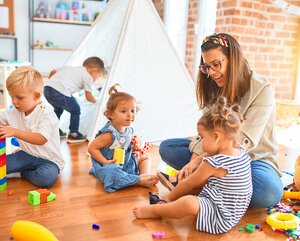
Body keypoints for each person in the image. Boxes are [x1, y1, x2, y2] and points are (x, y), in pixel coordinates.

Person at [158, 33, 283, 208]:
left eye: (216, 65)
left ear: (234, 59)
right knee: (167, 148)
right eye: (207, 67)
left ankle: (197, 184)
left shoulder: (262, 89)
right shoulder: (212, 86)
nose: (212, 73)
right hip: (213, 153)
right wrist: (194, 160)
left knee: (268, 193)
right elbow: (207, 132)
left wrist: (198, 163)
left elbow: (241, 143)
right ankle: (206, 184)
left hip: (253, 160)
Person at [133, 97, 252, 234]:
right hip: (234, 213)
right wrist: (197, 161)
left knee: (187, 203)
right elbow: (208, 156)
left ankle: (156, 211)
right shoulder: (240, 153)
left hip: (220, 217)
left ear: (216, 136)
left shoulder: (213, 163)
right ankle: (175, 187)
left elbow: (188, 184)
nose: (201, 142)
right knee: (194, 191)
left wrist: (167, 199)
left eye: (202, 137)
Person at [0, 66, 64, 188]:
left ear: (36, 96)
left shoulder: (47, 114)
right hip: (25, 154)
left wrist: (14, 132)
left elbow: (40, 139)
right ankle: (21, 169)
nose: (14, 101)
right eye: (11, 96)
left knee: (45, 179)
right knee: (2, 166)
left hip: (49, 161)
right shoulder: (14, 112)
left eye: (19, 97)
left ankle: (21, 172)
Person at [88, 84, 158, 192]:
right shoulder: (109, 134)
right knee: (112, 171)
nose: (130, 115)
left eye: (132, 111)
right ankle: (138, 180)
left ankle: (144, 175)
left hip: (126, 162)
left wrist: (136, 148)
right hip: (111, 165)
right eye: (124, 111)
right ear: (110, 114)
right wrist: (105, 162)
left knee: (145, 157)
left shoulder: (128, 129)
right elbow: (92, 148)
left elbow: (126, 145)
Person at [44, 56, 105, 143]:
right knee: (76, 110)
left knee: (58, 109)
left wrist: (52, 82)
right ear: (94, 71)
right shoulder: (88, 77)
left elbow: (53, 71)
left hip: (47, 89)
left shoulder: (69, 68)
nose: (95, 80)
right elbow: (88, 96)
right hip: (60, 92)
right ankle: (73, 133)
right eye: (98, 77)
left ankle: (53, 130)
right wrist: (98, 102)